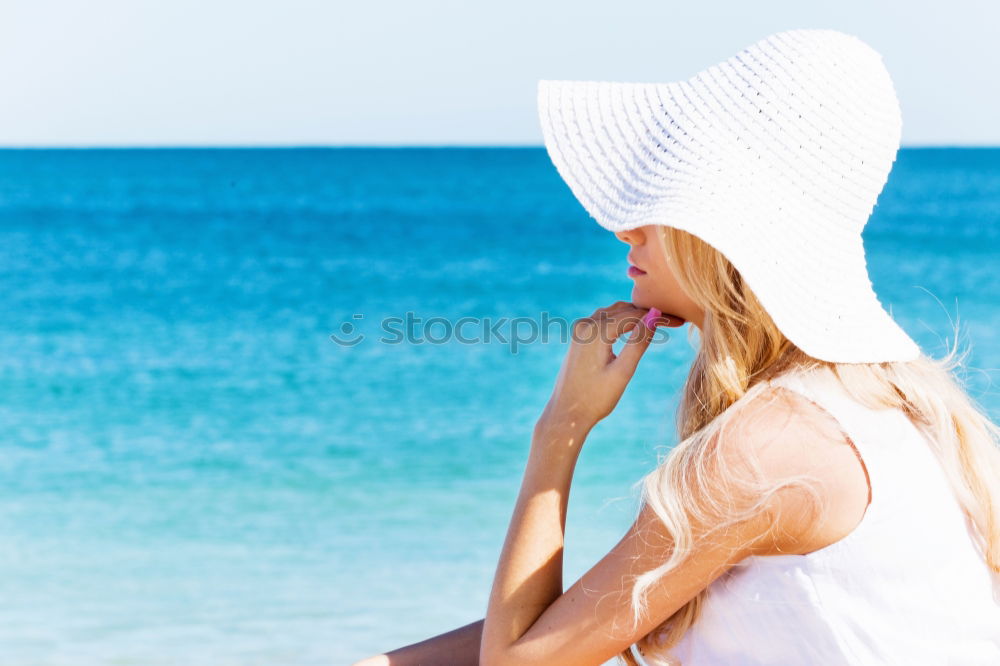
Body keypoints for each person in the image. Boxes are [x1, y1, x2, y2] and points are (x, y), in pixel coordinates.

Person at [353, 29, 1000, 665]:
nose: (624, 228)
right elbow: (589, 625)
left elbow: (518, 665)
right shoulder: (884, 408)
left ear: (719, 231)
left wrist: (562, 426)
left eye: (658, 200)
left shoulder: (770, 446)